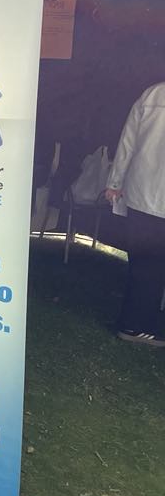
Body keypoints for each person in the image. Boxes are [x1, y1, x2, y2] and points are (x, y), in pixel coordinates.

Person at [104, 81, 165, 348]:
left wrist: (115, 182)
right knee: (152, 267)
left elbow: (127, 142)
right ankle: (137, 326)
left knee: (142, 264)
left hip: (140, 192)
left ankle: (132, 322)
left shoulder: (153, 93)